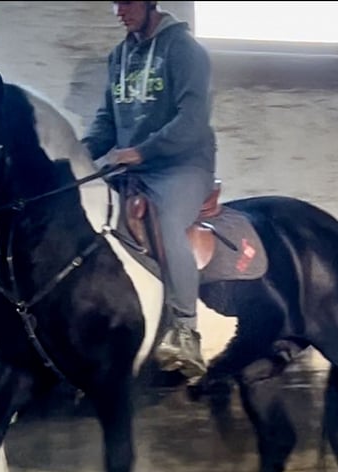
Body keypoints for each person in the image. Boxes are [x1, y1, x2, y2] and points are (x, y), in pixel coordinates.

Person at [81, 0, 217, 380]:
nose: (119, 11)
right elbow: (107, 120)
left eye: (127, 3)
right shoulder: (119, 56)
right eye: (115, 4)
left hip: (183, 165)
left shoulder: (185, 51)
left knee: (166, 219)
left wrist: (143, 151)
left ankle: (186, 330)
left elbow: (192, 121)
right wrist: (75, 155)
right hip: (131, 165)